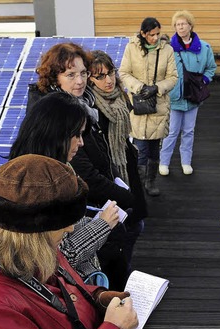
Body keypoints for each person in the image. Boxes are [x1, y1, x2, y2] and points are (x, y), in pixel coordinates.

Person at [0, 154, 138, 329]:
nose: (70, 228)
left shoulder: (33, 252)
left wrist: (100, 299)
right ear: (33, 233)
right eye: (62, 223)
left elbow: (64, 290)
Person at [27, 43, 146, 291]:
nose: (80, 81)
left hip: (98, 218)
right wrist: (120, 205)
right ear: (54, 78)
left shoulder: (82, 108)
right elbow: (64, 250)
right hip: (89, 231)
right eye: (70, 75)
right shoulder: (58, 120)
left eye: (83, 73)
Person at [8, 91, 120, 286]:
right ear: (55, 134)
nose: (81, 142)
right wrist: (103, 224)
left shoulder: (48, 169)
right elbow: (60, 256)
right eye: (76, 135)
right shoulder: (35, 185)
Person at [85, 50, 149, 291]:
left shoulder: (118, 97)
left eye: (110, 73)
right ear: (90, 80)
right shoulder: (91, 107)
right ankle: (118, 284)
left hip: (126, 168)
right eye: (99, 76)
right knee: (123, 231)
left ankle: (124, 272)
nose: (108, 80)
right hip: (110, 175)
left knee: (135, 224)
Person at [119, 17, 178, 196]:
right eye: (152, 35)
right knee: (140, 148)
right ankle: (138, 183)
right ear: (143, 34)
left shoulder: (167, 50)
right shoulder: (131, 48)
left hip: (158, 105)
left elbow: (173, 77)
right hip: (138, 105)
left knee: (154, 148)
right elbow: (123, 72)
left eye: (158, 34)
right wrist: (140, 88)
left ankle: (150, 182)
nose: (156, 38)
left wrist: (157, 88)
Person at [158, 10, 216, 176]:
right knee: (171, 131)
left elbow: (211, 67)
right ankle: (164, 162)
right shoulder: (168, 48)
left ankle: (186, 162)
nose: (180, 27)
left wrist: (204, 81)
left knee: (189, 131)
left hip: (193, 97)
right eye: (177, 24)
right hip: (174, 97)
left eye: (183, 23)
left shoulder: (204, 47)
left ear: (190, 25)